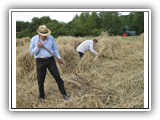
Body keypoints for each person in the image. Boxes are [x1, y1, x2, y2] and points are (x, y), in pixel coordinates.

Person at [29, 25, 69, 101]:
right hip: (40, 61)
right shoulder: (34, 39)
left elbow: (55, 49)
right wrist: (37, 47)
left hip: (51, 60)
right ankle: (41, 96)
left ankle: (65, 95)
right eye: (44, 36)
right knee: (41, 80)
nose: (46, 37)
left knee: (58, 77)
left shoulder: (51, 38)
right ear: (40, 34)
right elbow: (32, 52)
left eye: (47, 35)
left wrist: (59, 58)